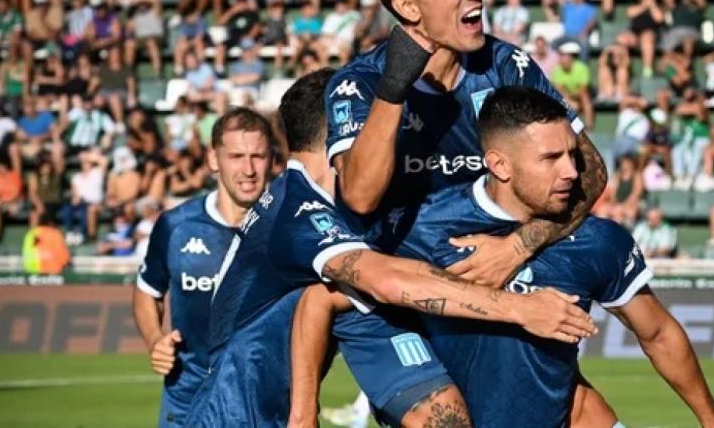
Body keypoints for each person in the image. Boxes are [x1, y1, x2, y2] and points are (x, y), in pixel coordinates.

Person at [185, 71, 595, 428]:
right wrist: (520, 308)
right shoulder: (297, 210)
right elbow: (387, 280)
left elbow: (327, 296)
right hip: (233, 417)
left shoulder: (339, 210)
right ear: (346, 131)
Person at [296, 86, 714, 428]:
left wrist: (713, 423)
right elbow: (321, 300)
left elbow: (658, 333)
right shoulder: (421, 228)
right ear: (499, 165)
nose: (572, 172)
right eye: (551, 158)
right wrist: (303, 413)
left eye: (572, 155)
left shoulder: (598, 239)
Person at [325, 0, 606, 293]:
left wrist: (518, 247)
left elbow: (591, 171)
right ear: (408, 7)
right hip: (403, 284)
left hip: (493, 268)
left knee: (605, 242)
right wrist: (394, 87)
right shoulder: (359, 82)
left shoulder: (506, 66)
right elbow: (360, 197)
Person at [133, 108, 275, 427]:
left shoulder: (289, 229)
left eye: (258, 156)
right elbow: (147, 291)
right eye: (236, 156)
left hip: (264, 400)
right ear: (213, 159)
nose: (248, 169)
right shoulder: (176, 226)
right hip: (187, 397)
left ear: (272, 159)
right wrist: (155, 340)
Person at [550, 45, 594, 130]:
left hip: (579, 96)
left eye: (564, 56)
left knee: (585, 97)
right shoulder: (557, 70)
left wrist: (572, 97)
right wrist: (569, 100)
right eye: (561, 56)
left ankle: (589, 126)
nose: (561, 60)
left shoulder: (581, 68)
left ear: (571, 57)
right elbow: (559, 88)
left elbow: (583, 88)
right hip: (566, 98)